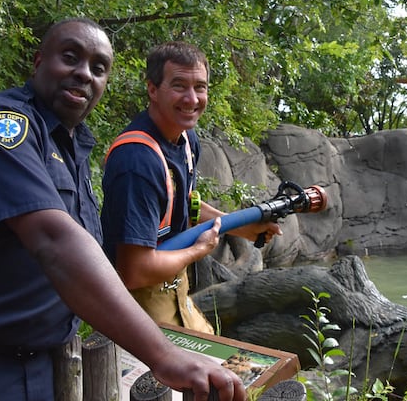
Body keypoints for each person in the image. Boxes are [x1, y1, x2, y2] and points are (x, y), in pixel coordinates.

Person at [0, 19, 245, 401]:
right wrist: (163, 355)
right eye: (70, 58)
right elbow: (55, 241)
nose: (84, 73)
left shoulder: (73, 148)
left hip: (35, 365)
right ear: (38, 61)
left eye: (99, 68)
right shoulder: (0, 126)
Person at [101, 41, 281, 333]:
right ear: (152, 90)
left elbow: (182, 205)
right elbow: (134, 272)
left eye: (200, 87)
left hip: (176, 292)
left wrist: (242, 228)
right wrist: (198, 251)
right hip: (134, 307)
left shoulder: (186, 140)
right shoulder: (137, 160)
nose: (192, 98)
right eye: (179, 86)